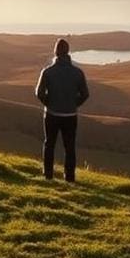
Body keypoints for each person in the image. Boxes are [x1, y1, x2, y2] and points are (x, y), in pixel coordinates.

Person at [35, 38, 89, 182]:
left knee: (49, 144)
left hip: (52, 115)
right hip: (70, 115)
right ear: (68, 52)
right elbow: (85, 94)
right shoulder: (78, 72)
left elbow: (39, 93)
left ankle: (48, 175)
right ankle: (69, 177)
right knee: (69, 147)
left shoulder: (48, 72)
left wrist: (49, 103)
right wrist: (73, 104)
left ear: (56, 52)